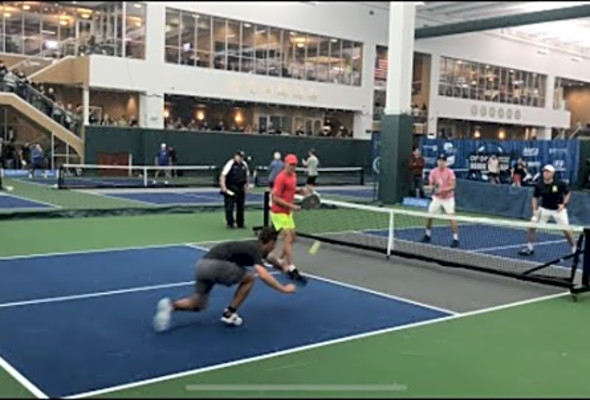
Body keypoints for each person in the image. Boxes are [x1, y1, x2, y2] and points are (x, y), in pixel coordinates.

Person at [153, 227, 296, 331]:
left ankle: (171, 306)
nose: (274, 247)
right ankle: (229, 313)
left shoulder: (253, 247)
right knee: (249, 278)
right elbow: (263, 275)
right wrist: (283, 289)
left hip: (202, 266)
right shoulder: (256, 249)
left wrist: (284, 268)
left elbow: (270, 259)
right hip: (216, 265)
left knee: (199, 304)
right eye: (274, 244)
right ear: (270, 242)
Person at [518, 165, 576, 256]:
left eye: (548, 172)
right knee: (532, 225)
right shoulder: (539, 185)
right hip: (544, 209)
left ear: (552, 173)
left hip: (558, 210)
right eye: (544, 171)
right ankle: (529, 248)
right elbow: (535, 198)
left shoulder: (559, 184)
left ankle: (574, 249)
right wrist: (534, 210)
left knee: (566, 230)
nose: (545, 173)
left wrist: (564, 205)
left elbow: (567, 193)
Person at [269, 154, 308, 285]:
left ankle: (279, 260)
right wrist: (292, 206)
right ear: (285, 164)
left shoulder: (294, 176)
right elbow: (275, 198)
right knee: (287, 236)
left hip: (287, 213)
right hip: (277, 212)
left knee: (293, 237)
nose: (293, 167)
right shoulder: (280, 178)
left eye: (295, 165)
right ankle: (291, 267)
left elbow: (291, 190)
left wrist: (300, 191)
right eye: (291, 164)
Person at [422, 154, 459, 248]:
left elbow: (453, 186)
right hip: (437, 198)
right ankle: (427, 235)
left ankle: (455, 239)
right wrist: (432, 189)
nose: (440, 162)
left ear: (445, 162)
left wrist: (443, 190)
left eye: (442, 161)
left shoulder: (450, 172)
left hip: (448, 198)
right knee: (429, 216)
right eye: (439, 161)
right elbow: (431, 184)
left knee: (452, 218)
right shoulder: (433, 172)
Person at [220, 150, 249, 229]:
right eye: (239, 156)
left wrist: (246, 187)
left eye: (242, 157)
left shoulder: (244, 165)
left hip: (240, 188)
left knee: (241, 207)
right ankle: (230, 223)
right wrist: (224, 187)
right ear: (235, 156)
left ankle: (240, 223)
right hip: (231, 188)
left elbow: (246, 176)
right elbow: (223, 175)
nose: (241, 158)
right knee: (229, 207)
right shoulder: (230, 163)